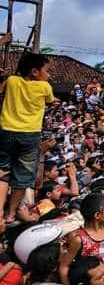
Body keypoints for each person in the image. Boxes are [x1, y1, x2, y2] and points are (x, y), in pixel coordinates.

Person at [0, 53, 56, 227]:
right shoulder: (45, 87)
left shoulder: (11, 81)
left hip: (6, 132)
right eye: (46, 71)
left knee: (3, 173)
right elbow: (51, 101)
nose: (48, 75)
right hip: (30, 135)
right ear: (34, 71)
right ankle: (10, 215)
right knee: (22, 178)